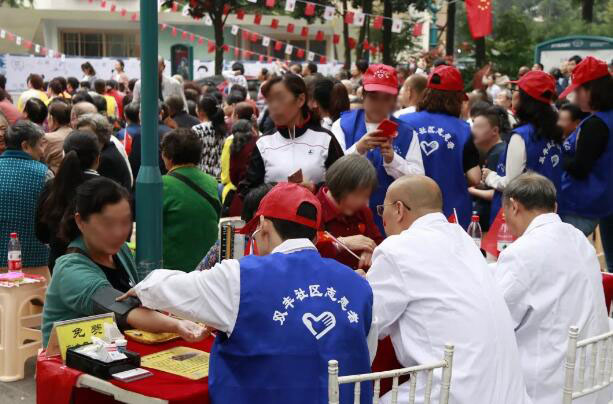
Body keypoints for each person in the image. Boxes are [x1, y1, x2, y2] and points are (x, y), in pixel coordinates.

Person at [118, 182, 376, 403]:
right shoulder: (358, 284)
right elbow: (366, 353)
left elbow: (166, 289)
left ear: (263, 225)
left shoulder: (240, 276)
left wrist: (142, 287)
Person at [367, 175, 531, 404]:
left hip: (455, 393)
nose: (382, 220)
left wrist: (356, 288)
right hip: (509, 393)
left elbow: (368, 323)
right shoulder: (463, 238)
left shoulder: (397, 249)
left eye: (381, 209)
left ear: (398, 209)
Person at [41, 177, 206, 347]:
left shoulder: (121, 251)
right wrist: (177, 325)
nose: (119, 232)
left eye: (125, 222)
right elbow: (123, 308)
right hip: (71, 359)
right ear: (81, 222)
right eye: (108, 224)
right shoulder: (70, 270)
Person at [492, 173, 609, 403]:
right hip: (594, 379)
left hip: (547, 386)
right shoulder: (577, 238)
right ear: (554, 207)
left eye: (505, 215)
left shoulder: (523, 252)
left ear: (513, 206)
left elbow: (496, 319)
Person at [332, 64, 424, 232]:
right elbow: (332, 171)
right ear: (363, 95)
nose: (379, 103)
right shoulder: (343, 126)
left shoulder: (407, 133)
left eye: (386, 98)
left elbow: (419, 180)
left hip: (393, 223)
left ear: (394, 100)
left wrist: (392, 159)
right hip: (347, 219)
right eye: (374, 96)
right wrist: (359, 148)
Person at [399, 65, 481, 229]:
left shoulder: (403, 122)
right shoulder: (462, 129)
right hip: (450, 212)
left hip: (409, 208)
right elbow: (475, 177)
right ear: (456, 98)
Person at [238, 74, 344, 198]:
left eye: (280, 99)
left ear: (300, 100)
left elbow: (344, 185)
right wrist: (272, 191)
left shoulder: (325, 139)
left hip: (318, 216)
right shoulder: (263, 143)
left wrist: (315, 189)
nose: (274, 106)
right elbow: (246, 191)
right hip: (273, 216)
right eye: (270, 100)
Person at [484, 70, 563, 224]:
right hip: (549, 213)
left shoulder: (522, 136)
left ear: (525, 99)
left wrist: (490, 177)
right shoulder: (555, 131)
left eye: (518, 91)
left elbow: (512, 184)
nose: (514, 95)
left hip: (523, 215)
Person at [557, 56, 613, 272]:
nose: (574, 95)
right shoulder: (602, 119)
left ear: (594, 89)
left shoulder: (597, 124)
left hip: (582, 205)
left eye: (579, 90)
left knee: (566, 266)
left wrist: (557, 156)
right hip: (600, 202)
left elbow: (580, 168)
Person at [36, 131, 100, 272]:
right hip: (97, 266)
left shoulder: (52, 185)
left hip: (58, 265)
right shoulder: (106, 188)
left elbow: (41, 232)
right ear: (97, 159)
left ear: (64, 154)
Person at [161, 128, 220, 272]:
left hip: (172, 272)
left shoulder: (162, 184)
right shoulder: (212, 183)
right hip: (207, 269)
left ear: (168, 157)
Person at [316, 155, 383, 270]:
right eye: (358, 195)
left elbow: (378, 243)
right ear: (341, 186)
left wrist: (372, 252)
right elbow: (306, 248)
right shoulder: (312, 210)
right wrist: (340, 243)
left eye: (367, 196)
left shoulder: (363, 211)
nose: (364, 202)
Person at [0, 121, 50, 268]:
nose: (43, 151)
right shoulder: (44, 174)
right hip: (33, 260)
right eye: (41, 145)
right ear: (25, 146)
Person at [469, 106, 508, 231]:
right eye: (473, 126)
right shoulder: (493, 152)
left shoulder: (499, 153)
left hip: (493, 221)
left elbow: (498, 192)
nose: (473, 131)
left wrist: (470, 190)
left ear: (495, 131)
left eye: (478, 127)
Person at [76, 113, 132, 190]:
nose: (81, 138)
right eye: (79, 134)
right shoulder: (106, 149)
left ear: (101, 134)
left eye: (87, 134)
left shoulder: (105, 159)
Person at [192, 94, 227, 177]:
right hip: (219, 176)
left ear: (201, 112)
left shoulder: (197, 129)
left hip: (201, 176)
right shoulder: (222, 126)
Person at [42, 101, 72, 174]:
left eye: (48, 116)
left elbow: (38, 160)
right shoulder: (74, 132)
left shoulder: (48, 138)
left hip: (55, 179)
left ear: (52, 118)